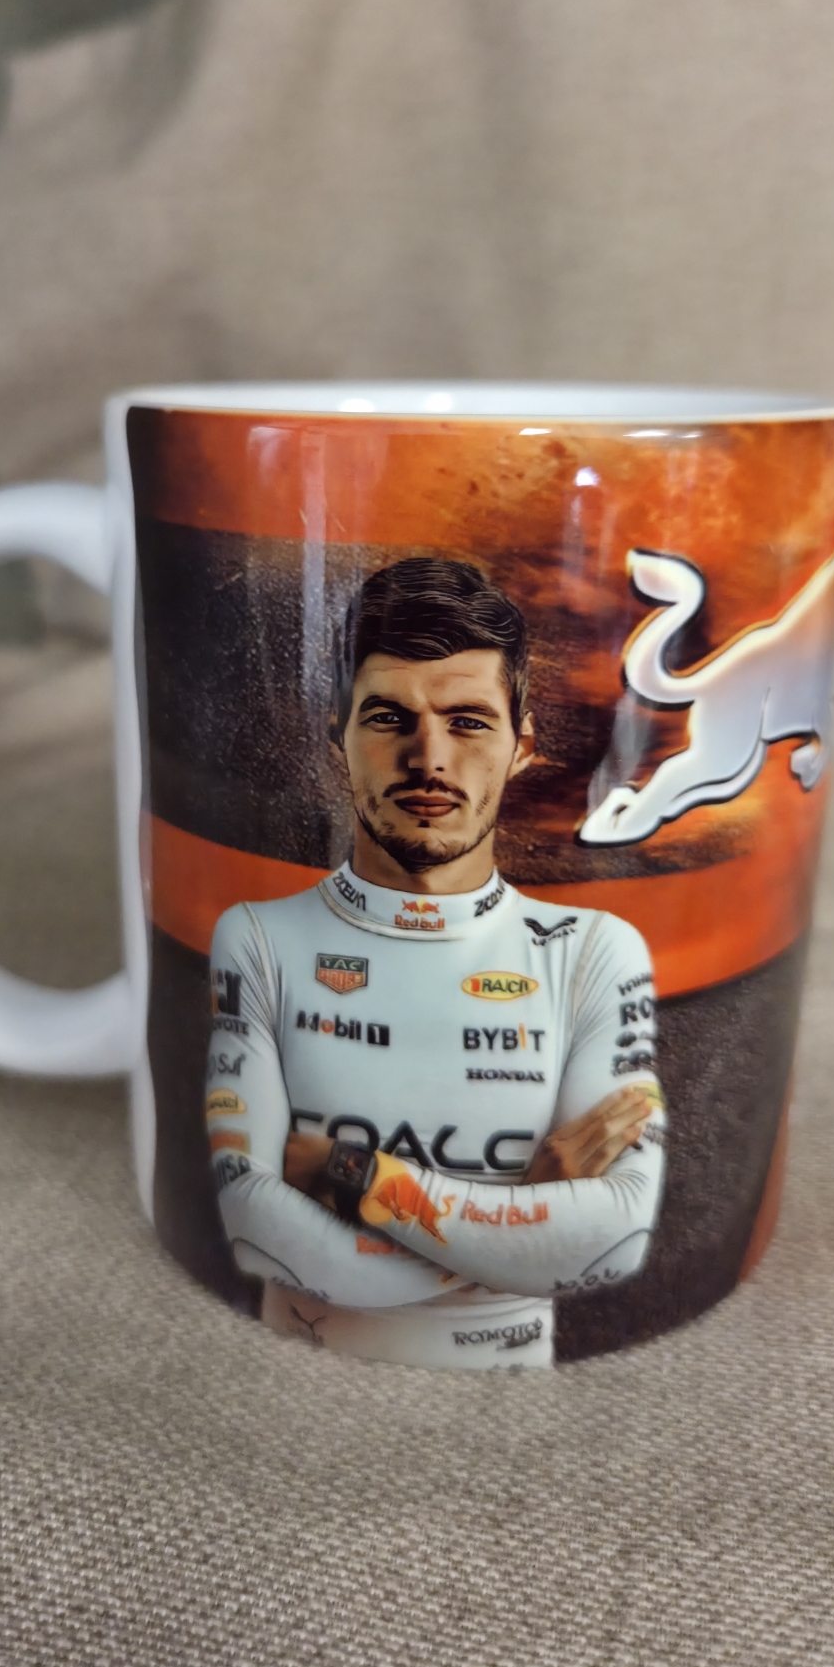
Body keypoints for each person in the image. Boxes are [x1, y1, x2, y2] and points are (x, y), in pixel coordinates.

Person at [205, 557, 665, 1369]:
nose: (429, 758)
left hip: (511, 1406)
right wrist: (522, 1223)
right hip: (290, 1380)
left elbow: (615, 1240)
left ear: (522, 746)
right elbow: (253, 1229)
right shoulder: (259, 940)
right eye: (389, 718)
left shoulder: (596, 952)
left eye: (469, 721)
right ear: (340, 737)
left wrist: (341, 1171)